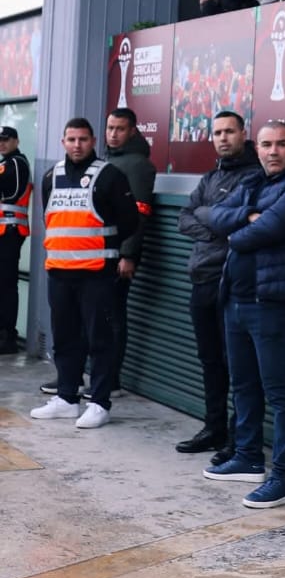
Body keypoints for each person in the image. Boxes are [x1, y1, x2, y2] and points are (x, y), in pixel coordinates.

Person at [196, 121, 285, 508]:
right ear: (258, 148)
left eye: (281, 144)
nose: (273, 151)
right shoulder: (253, 182)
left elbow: (268, 229)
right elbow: (211, 213)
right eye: (266, 144)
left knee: (280, 393)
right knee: (243, 386)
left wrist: (237, 230)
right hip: (236, 298)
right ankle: (248, 457)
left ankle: (284, 477)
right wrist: (248, 216)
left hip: (273, 303)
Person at [30, 119, 138, 428]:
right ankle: (67, 398)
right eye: (71, 139)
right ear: (63, 142)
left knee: (99, 339)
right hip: (59, 272)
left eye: (83, 139)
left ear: (93, 141)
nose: (77, 145)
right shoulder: (51, 176)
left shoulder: (110, 176)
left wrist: (103, 247)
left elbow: (129, 222)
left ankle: (100, 403)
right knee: (65, 338)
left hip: (97, 274)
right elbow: (51, 219)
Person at [176, 110, 262, 458]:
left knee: (237, 364)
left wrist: (214, 218)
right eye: (217, 133)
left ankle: (238, 438)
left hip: (233, 282)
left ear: (243, 133)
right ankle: (214, 428)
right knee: (210, 360)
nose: (223, 138)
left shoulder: (256, 176)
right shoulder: (210, 177)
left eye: (229, 131)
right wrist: (216, 226)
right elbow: (185, 218)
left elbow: (238, 223)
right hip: (202, 279)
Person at [103, 109, 156, 391]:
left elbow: (139, 212)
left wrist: (128, 255)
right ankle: (98, 377)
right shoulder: (109, 159)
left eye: (120, 129)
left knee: (113, 316)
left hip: (118, 256)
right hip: (99, 252)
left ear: (132, 131)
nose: (113, 134)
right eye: (110, 128)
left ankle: (111, 380)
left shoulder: (137, 165)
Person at [0, 125, 32, 354]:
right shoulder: (6, 163)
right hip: (4, 231)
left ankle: (7, 336)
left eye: (6, 139)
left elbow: (10, 193)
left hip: (11, 232)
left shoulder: (17, 163)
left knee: (7, 285)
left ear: (16, 141)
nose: (2, 143)